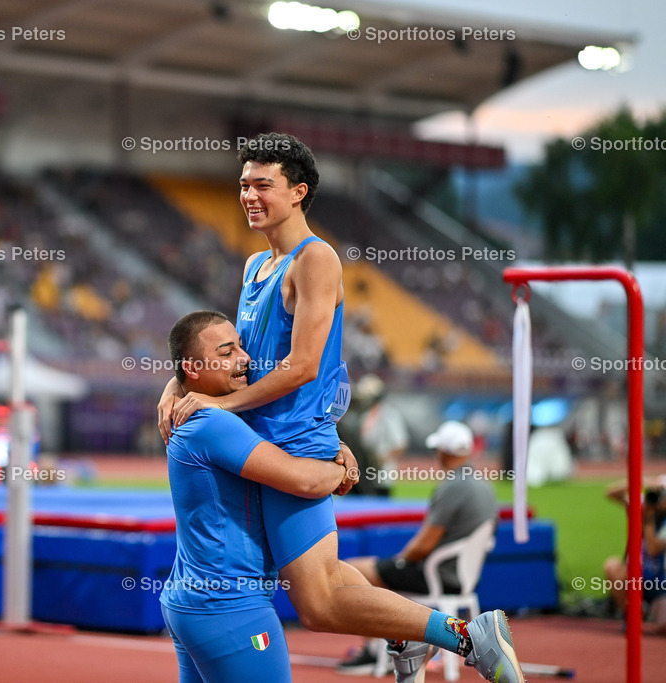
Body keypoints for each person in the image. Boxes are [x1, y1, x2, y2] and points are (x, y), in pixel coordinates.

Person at [158, 133, 523, 683]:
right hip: (274, 435)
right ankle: (403, 632)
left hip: (293, 443)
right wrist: (177, 384)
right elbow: (245, 359)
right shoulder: (256, 265)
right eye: (242, 185)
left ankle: (468, 636)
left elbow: (303, 366)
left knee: (319, 602)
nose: (248, 196)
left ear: (299, 191)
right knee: (322, 579)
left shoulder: (317, 258)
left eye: (263, 185)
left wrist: (231, 407)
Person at [161, 310, 356, 682]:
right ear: (193, 368)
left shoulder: (208, 412)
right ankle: (445, 634)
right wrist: (341, 469)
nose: (245, 359)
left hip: (192, 601)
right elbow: (304, 481)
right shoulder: (214, 422)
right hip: (231, 606)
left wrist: (339, 444)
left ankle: (403, 635)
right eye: (227, 352)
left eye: (241, 347)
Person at [339, 420, 498, 673]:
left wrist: (399, 561)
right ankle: (389, 646)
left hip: (436, 574)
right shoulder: (484, 485)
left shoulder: (453, 486)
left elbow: (424, 545)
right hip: (461, 574)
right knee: (374, 568)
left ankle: (373, 650)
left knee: (353, 570)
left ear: (444, 451)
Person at [603, 475, 666, 634]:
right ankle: (633, 614)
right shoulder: (642, 506)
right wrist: (642, 481)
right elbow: (611, 493)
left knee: (661, 628)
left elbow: (653, 548)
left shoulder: (650, 514)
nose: (659, 499)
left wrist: (649, 518)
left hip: (662, 581)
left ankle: (648, 615)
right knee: (612, 566)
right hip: (638, 574)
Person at [356, 373, 409, 498]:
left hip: (381, 476)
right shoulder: (363, 415)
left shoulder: (389, 415)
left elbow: (400, 444)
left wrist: (380, 460)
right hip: (361, 474)